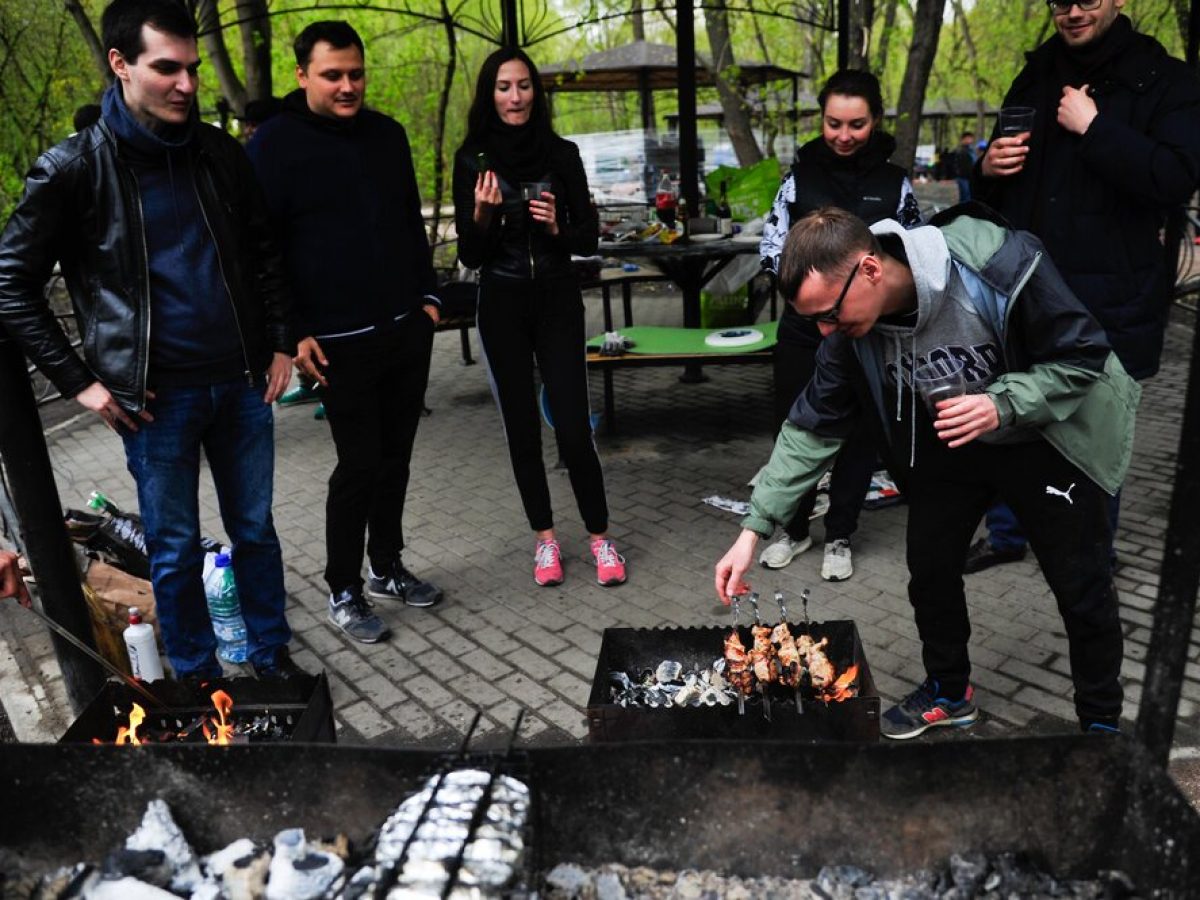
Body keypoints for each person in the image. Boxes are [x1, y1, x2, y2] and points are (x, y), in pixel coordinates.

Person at [714, 205, 1139, 739]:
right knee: (931, 569)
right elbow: (812, 427)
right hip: (954, 447)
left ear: (870, 269)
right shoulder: (849, 332)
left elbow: (1082, 354)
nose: (827, 332)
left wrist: (1001, 404)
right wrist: (753, 530)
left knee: (1082, 586)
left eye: (831, 314)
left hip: (1045, 436)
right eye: (815, 320)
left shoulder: (995, 262)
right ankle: (950, 692)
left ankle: (1101, 724)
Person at [0, 0, 298, 681]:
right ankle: (196, 677)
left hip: (243, 384)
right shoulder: (72, 169)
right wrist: (82, 382)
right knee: (170, 547)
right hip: (153, 400)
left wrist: (280, 339)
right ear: (120, 64)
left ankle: (271, 655)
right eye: (167, 68)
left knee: (254, 531)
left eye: (192, 69)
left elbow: (264, 252)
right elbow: (8, 284)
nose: (187, 85)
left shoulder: (220, 154)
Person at [966, 0, 1200, 574]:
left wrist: (1096, 128)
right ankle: (1007, 534)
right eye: (1058, 1)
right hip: (1024, 288)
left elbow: (1174, 177)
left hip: (1112, 292)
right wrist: (986, 170)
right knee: (1013, 409)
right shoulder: (1034, 74)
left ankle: (1092, 551)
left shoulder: (1164, 80)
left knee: (1096, 423)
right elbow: (999, 188)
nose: (1071, 12)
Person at [248, 20, 443, 644]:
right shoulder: (274, 145)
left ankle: (386, 566)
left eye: (355, 73)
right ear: (302, 74)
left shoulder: (387, 135)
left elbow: (410, 224)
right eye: (333, 75)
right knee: (358, 464)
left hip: (403, 331)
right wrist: (292, 332)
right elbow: (262, 250)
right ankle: (343, 585)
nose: (347, 85)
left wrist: (430, 301)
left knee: (396, 461)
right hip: (335, 344)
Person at [452, 48, 626, 588]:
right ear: (490, 94)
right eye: (504, 87)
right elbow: (471, 256)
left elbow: (588, 239)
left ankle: (600, 538)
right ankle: (545, 542)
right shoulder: (473, 158)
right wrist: (482, 215)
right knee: (522, 430)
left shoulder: (563, 154)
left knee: (573, 426)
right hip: (500, 302)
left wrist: (555, 228)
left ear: (536, 92)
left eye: (524, 86)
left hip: (555, 298)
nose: (515, 97)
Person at [756, 69, 921, 581]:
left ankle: (842, 533)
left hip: (870, 333)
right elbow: (770, 246)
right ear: (821, 119)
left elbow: (913, 252)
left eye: (856, 124)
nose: (844, 135)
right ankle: (794, 526)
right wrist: (809, 300)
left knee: (860, 433)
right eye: (833, 123)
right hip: (805, 332)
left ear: (875, 121)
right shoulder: (798, 178)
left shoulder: (895, 184)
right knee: (799, 424)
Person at [953, 131, 975, 202]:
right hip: (963, 177)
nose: (969, 140)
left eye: (970, 138)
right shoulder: (960, 151)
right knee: (965, 196)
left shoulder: (971, 151)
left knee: (968, 195)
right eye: (967, 138)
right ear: (963, 139)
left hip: (970, 177)